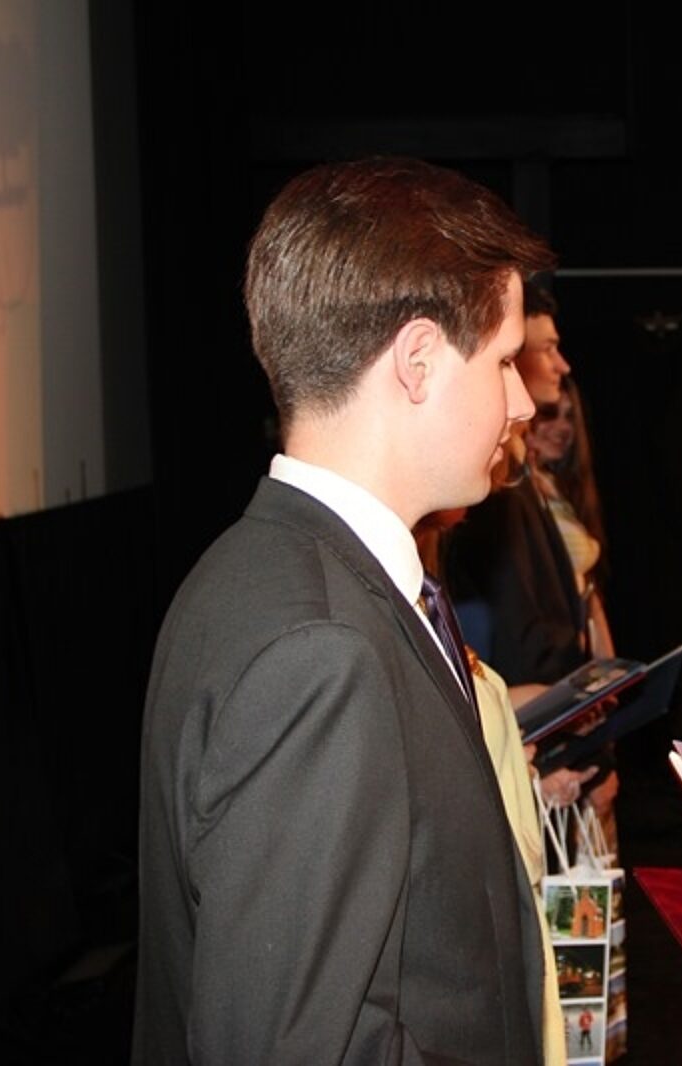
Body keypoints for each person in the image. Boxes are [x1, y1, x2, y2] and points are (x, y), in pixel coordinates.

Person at [134, 158, 553, 1063]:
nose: (523, 401)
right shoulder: (318, 649)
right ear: (417, 361)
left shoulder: (254, 569)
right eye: (504, 361)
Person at [446, 281, 587, 690]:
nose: (562, 366)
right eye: (547, 349)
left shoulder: (530, 472)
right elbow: (510, 616)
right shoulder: (489, 480)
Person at [526, 376, 615, 659]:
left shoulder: (558, 492)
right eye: (549, 414)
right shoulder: (519, 495)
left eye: (569, 417)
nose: (564, 428)